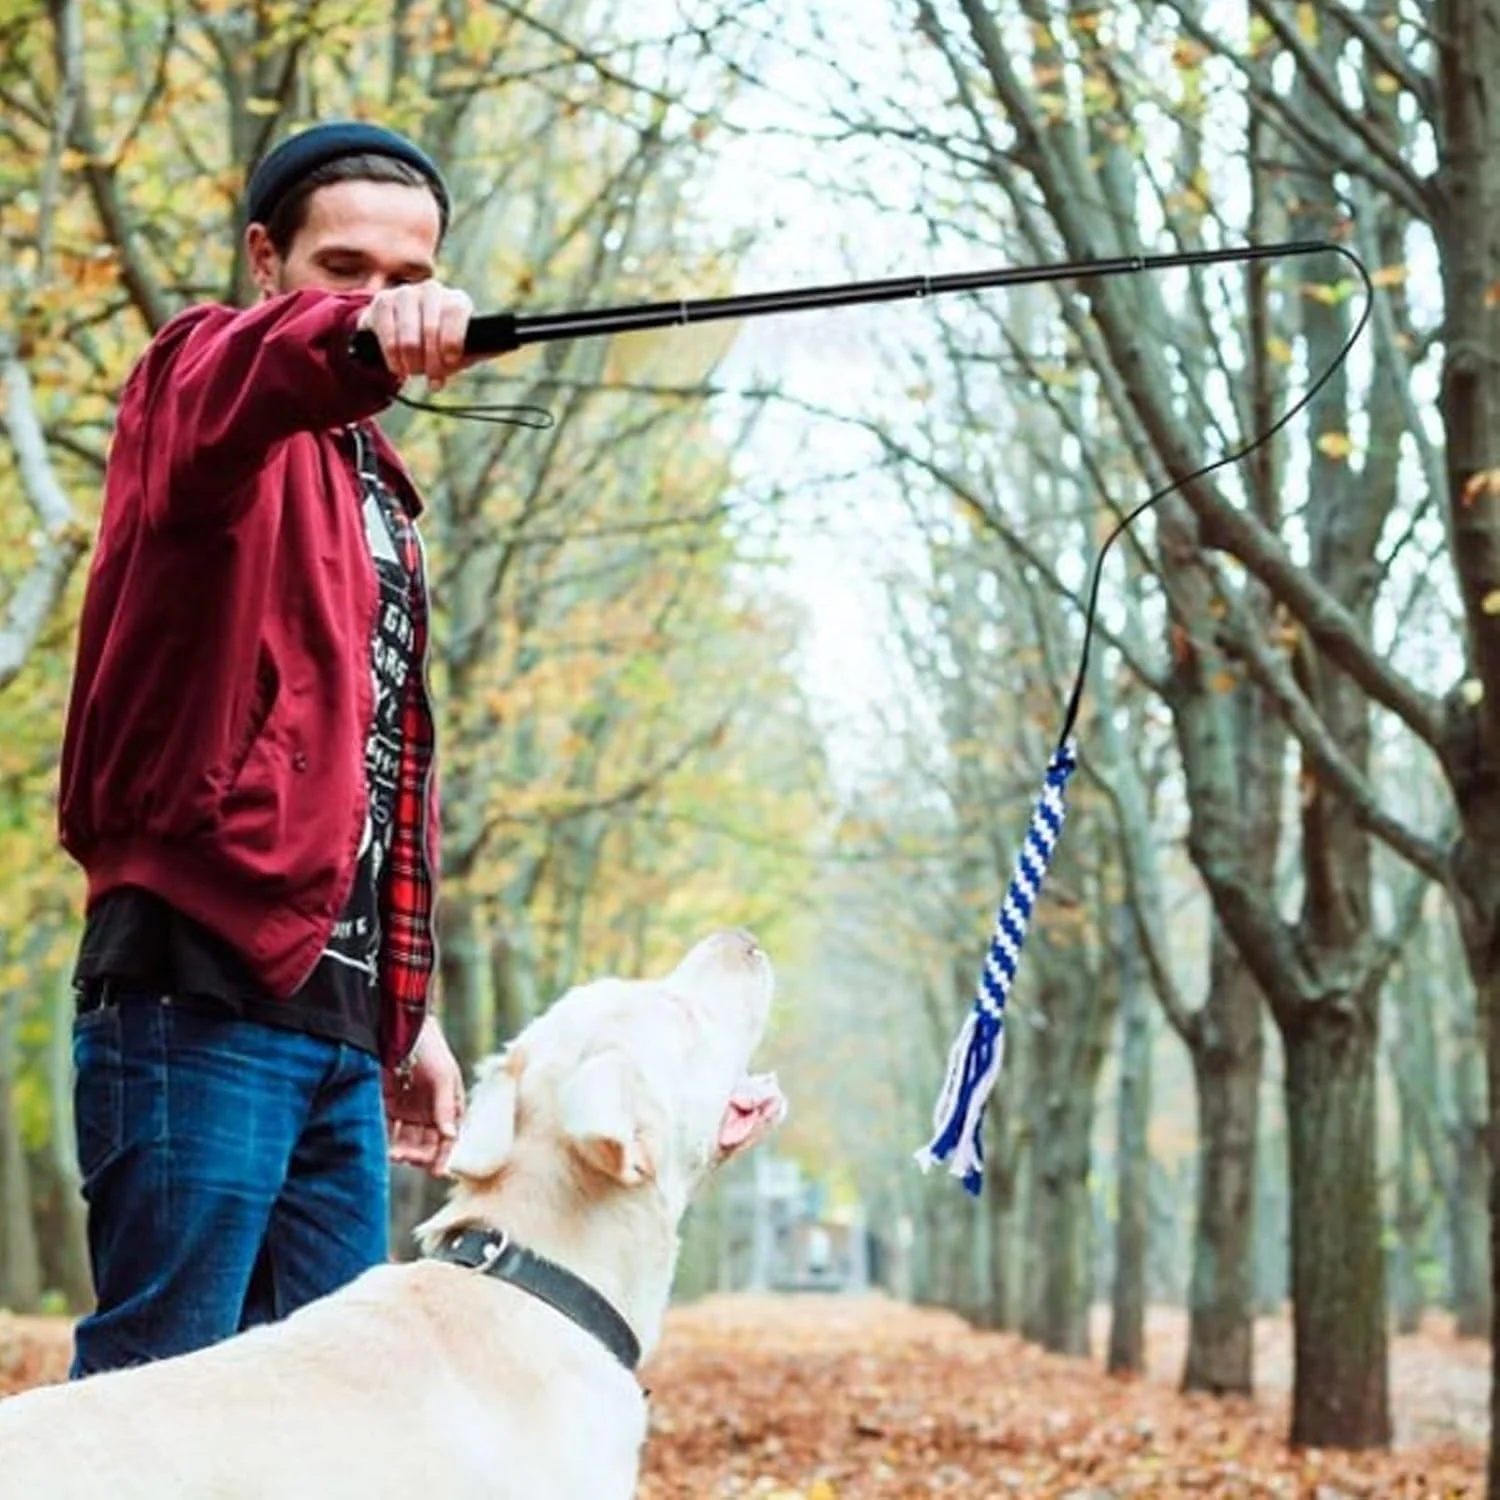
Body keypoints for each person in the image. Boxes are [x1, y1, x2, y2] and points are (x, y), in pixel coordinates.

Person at [56, 121, 475, 1377]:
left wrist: (408, 1017)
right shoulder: (198, 389)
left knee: (336, 1420)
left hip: (340, 1031)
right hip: (195, 996)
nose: (379, 306)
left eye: (410, 282)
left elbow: (365, 767)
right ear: (265, 260)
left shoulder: (382, 495)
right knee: (161, 1406)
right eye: (345, 270)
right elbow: (248, 373)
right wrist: (347, 336)